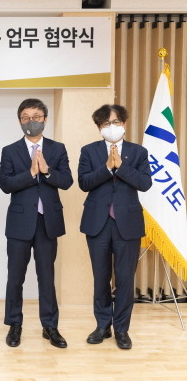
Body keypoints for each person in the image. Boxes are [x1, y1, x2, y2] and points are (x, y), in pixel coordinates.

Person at [0, 98, 73, 349]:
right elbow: (6, 184)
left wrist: (47, 171)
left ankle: (50, 326)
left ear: (45, 119)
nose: (31, 121)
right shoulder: (10, 150)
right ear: (20, 121)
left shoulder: (58, 149)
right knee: (15, 277)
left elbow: (67, 181)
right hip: (20, 223)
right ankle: (14, 325)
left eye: (36, 117)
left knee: (46, 277)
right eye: (26, 117)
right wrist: (31, 173)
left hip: (47, 223)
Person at [78, 104, 152, 350]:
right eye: (106, 123)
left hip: (127, 225)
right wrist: (107, 167)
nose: (112, 127)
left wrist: (121, 166)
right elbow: (84, 182)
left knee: (124, 280)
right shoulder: (88, 151)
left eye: (116, 122)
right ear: (99, 127)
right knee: (101, 278)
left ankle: (122, 329)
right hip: (97, 224)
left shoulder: (138, 152)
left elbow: (145, 183)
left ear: (124, 123)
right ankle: (102, 326)